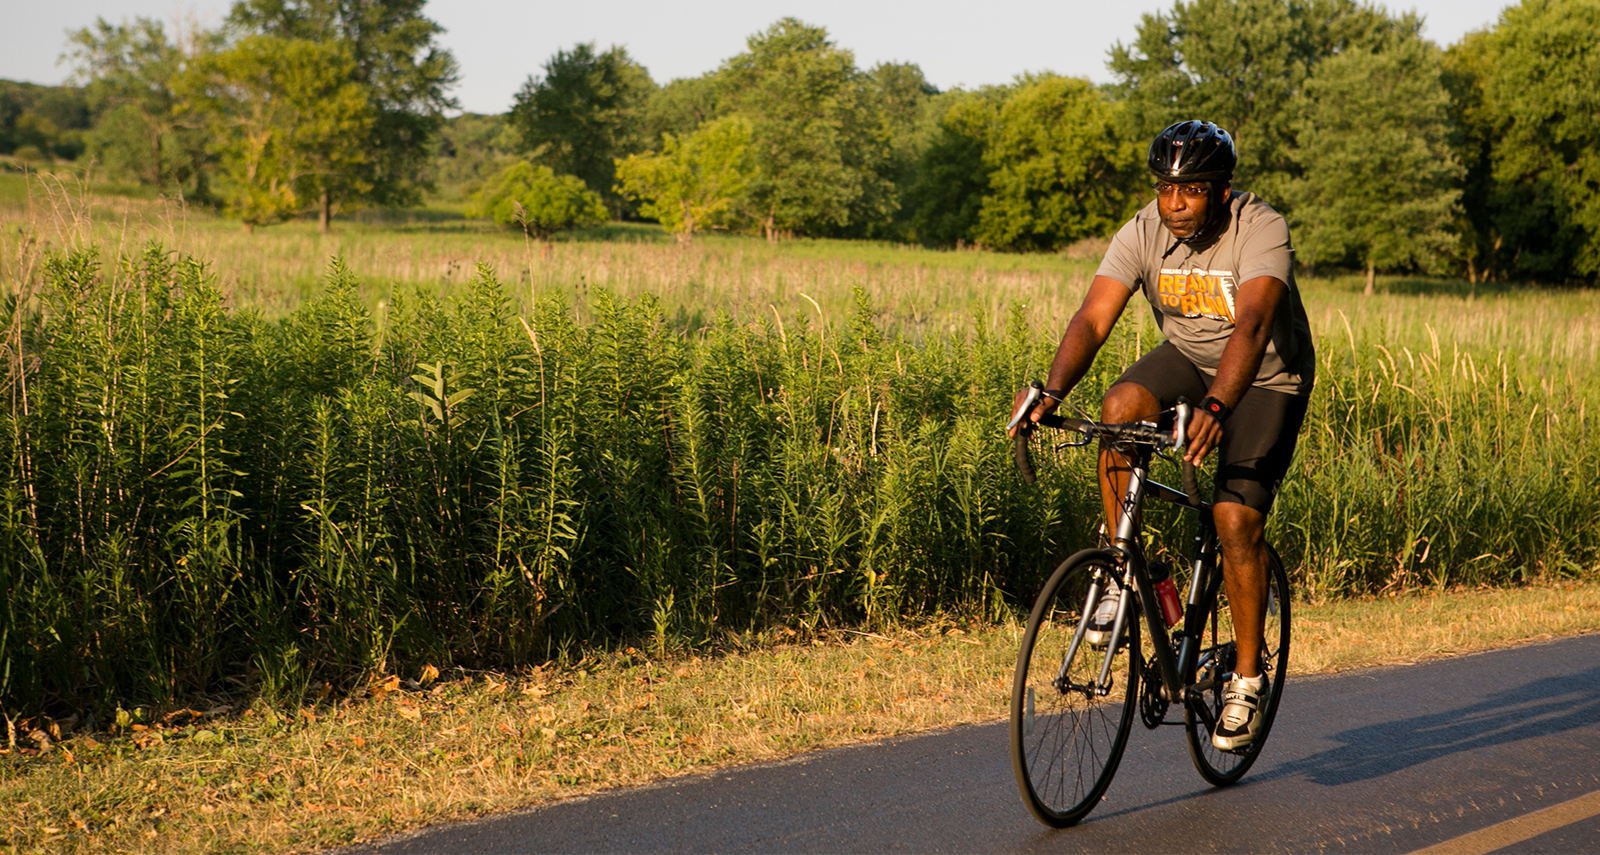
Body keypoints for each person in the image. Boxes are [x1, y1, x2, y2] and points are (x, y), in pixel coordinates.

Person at [1009, 120, 1315, 751]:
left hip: (1265, 378)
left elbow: (1254, 324)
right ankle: (1127, 572)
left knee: (1234, 521)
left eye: (1192, 191)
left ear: (1223, 191)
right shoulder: (1144, 230)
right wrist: (1051, 389)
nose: (1173, 205)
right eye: (1164, 190)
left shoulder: (1261, 228)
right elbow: (1094, 317)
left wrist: (1214, 404)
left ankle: (1248, 682)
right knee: (1119, 405)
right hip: (1188, 359)